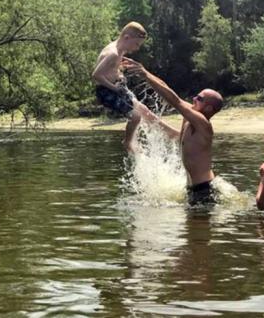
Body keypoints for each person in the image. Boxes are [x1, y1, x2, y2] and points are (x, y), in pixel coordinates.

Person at [124, 58, 223, 206]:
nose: (194, 98)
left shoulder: (203, 124)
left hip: (204, 191)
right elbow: (168, 89)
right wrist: (145, 72)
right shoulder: (191, 114)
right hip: (192, 189)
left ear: (208, 108)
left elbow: (174, 101)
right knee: (194, 229)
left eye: (199, 98)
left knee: (196, 227)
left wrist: (144, 74)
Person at [91, 22, 149, 152]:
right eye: (137, 44)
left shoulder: (120, 50)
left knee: (143, 109)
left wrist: (120, 74)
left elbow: (111, 69)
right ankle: (128, 142)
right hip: (106, 92)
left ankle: (137, 138)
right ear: (127, 38)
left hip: (114, 88)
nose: (137, 48)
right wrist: (114, 87)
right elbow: (96, 75)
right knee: (136, 116)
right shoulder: (113, 53)